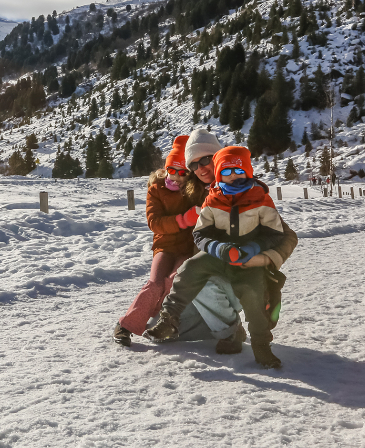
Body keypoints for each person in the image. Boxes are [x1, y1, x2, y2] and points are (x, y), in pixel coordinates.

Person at [145, 146, 294, 369]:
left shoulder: (260, 199)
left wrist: (256, 250)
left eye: (238, 171)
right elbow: (200, 233)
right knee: (188, 270)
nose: (232, 176)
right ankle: (170, 319)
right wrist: (218, 248)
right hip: (218, 255)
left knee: (253, 294)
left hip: (248, 260)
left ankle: (261, 345)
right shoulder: (212, 198)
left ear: (248, 171)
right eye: (225, 172)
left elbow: (276, 234)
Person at [112, 135, 200, 346]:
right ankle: (125, 325)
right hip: (165, 246)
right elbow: (155, 223)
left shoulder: (194, 191)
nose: (176, 177)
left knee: (174, 282)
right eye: (172, 171)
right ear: (166, 169)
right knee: (155, 284)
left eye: (182, 173)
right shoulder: (156, 189)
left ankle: (164, 324)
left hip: (188, 248)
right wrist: (184, 219)